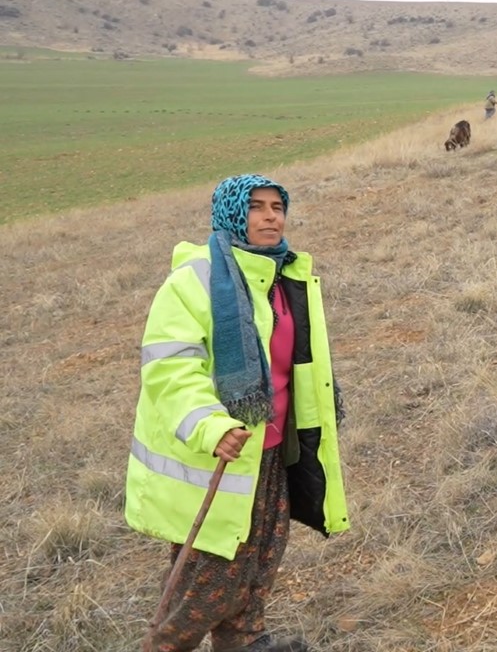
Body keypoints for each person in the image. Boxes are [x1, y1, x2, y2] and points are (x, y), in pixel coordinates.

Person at [128, 174, 350, 651]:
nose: (271, 216)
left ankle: (245, 644)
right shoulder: (195, 280)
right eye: (257, 207)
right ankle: (163, 646)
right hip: (215, 456)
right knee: (210, 580)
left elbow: (302, 361)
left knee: (262, 560)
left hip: (270, 452)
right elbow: (170, 367)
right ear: (232, 215)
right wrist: (211, 425)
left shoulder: (286, 276)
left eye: (277, 206)